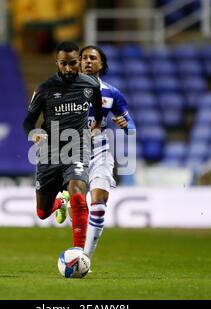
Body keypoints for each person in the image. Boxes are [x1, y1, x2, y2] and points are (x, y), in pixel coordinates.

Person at [54, 45, 136, 259]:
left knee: (99, 201)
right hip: (72, 151)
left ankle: (85, 257)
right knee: (79, 201)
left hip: (100, 151)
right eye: (83, 58)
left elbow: (132, 128)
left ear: (101, 64)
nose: (87, 61)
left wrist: (125, 124)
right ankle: (63, 199)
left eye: (93, 58)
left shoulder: (112, 93)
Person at [23, 41, 103, 250]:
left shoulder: (91, 85)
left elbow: (98, 115)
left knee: (78, 193)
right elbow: (27, 123)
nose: (68, 69)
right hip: (49, 153)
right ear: (56, 62)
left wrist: (96, 127)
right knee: (42, 213)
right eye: (63, 64)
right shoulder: (44, 89)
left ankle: (79, 252)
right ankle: (59, 203)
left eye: (73, 63)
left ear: (79, 61)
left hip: (77, 148)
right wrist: (35, 134)